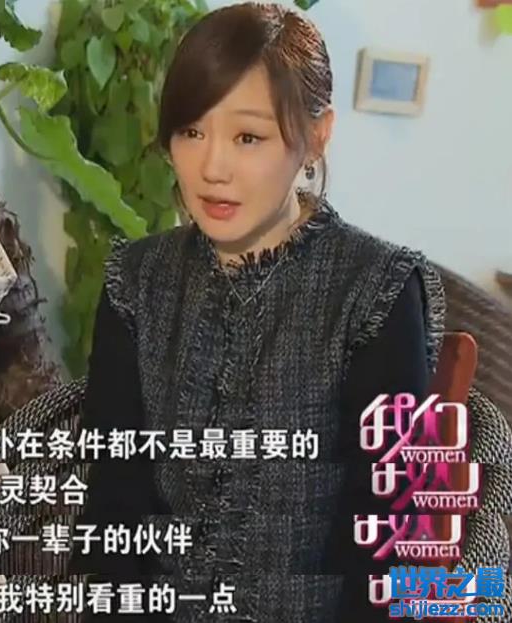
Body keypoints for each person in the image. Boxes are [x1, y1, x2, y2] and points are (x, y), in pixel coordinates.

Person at [68, 3, 445, 622]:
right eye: (192, 132)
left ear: (316, 136)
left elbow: (392, 537)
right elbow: (114, 508)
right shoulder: (135, 281)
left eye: (248, 137)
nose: (212, 168)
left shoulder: (378, 289)